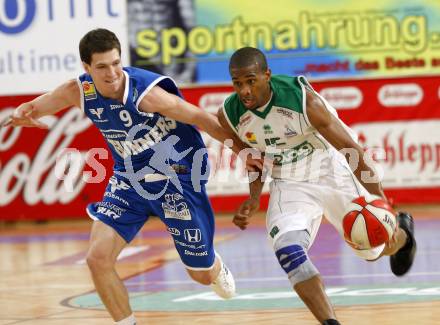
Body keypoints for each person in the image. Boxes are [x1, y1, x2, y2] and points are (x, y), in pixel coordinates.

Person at [4, 29, 259, 325]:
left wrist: (242, 151)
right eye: (101, 66)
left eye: (116, 63)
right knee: (97, 259)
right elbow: (39, 105)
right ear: (86, 68)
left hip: (176, 178)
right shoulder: (78, 91)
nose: (112, 73)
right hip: (129, 181)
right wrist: (26, 111)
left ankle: (213, 265)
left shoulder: (145, 94)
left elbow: (201, 118)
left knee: (201, 275)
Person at [218, 47, 417, 325]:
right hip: (288, 181)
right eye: (237, 83)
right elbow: (254, 159)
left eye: (251, 81)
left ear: (267, 75)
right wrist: (254, 197)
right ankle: (330, 323)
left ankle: (403, 235)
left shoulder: (303, 102)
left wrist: (383, 206)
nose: (244, 91)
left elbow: (352, 151)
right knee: (287, 248)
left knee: (371, 249)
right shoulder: (229, 114)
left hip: (331, 168)